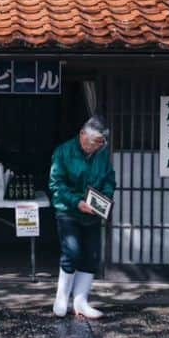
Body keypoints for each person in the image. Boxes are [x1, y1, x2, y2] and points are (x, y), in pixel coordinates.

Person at [47, 115, 116, 319]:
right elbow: (56, 185)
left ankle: (81, 302)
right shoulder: (63, 152)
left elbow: (109, 180)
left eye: (99, 144)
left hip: (92, 212)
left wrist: (104, 200)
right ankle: (61, 298)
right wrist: (77, 202)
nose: (94, 147)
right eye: (92, 142)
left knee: (92, 255)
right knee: (72, 252)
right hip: (68, 210)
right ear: (82, 134)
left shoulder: (102, 154)